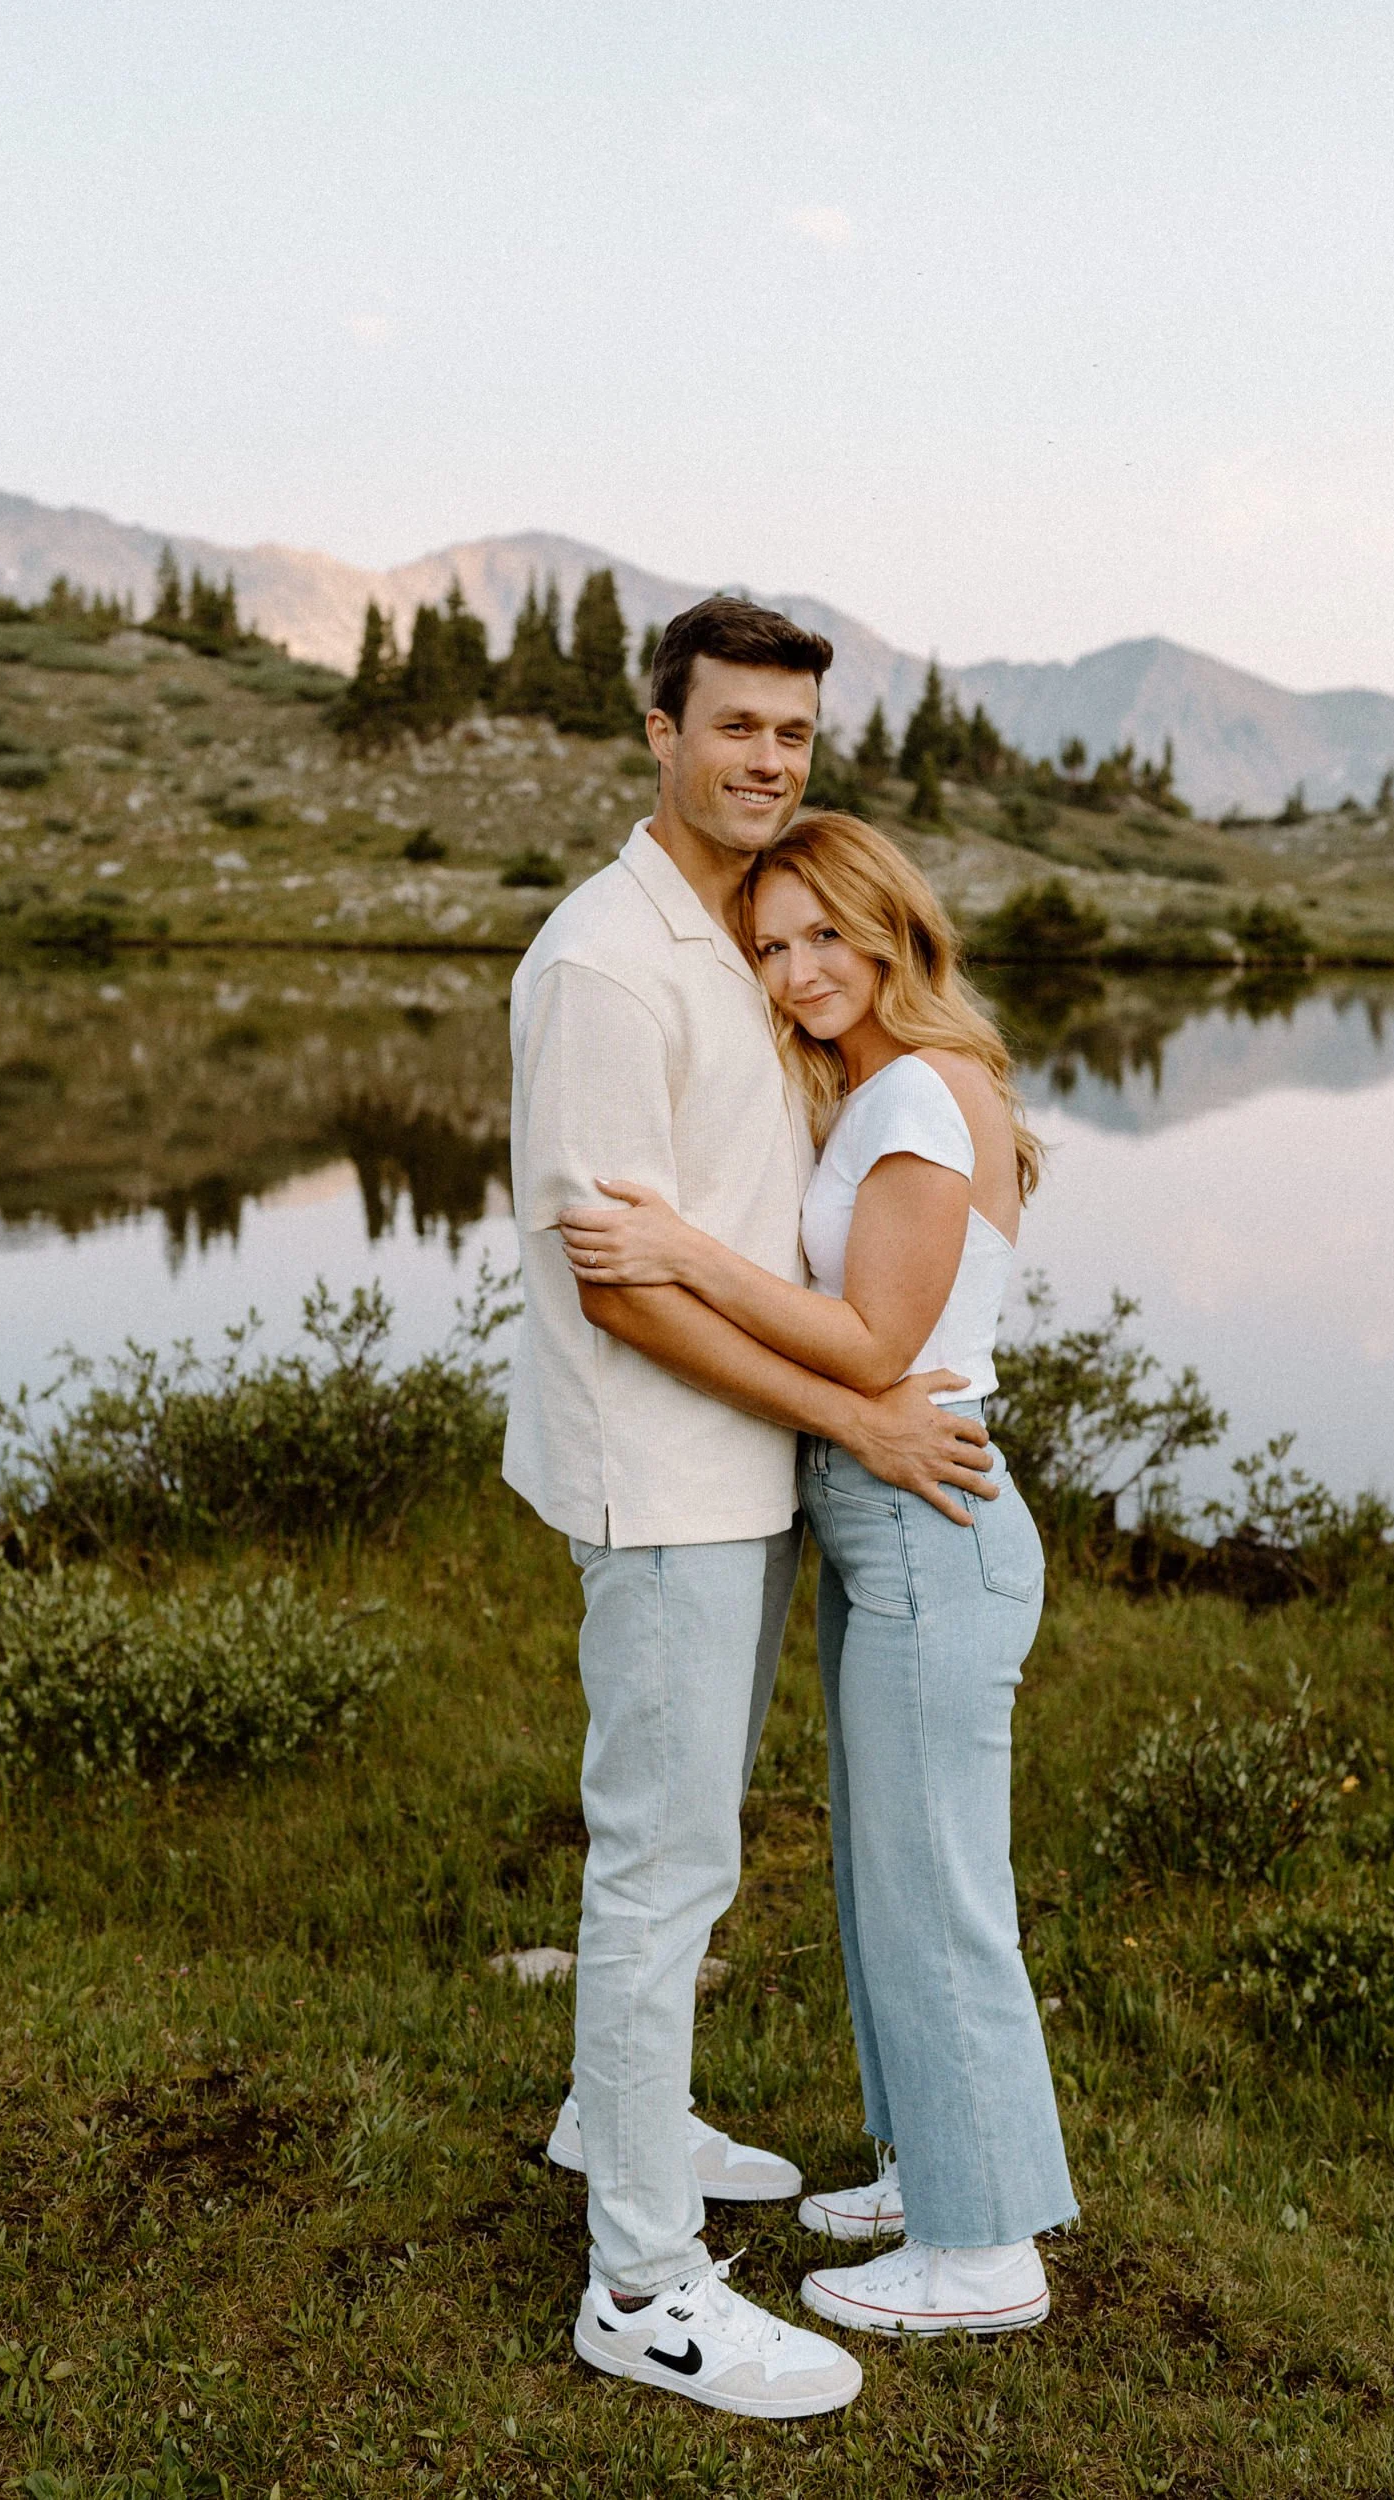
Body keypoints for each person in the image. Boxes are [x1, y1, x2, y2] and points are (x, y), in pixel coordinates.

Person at [502, 600, 999, 2421]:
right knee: (663, 1865)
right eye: (734, 729)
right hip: (664, 1481)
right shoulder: (605, 968)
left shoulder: (736, 933)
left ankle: (609, 2114)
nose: (767, 762)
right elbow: (622, 1289)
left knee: (676, 1844)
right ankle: (637, 2285)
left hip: (736, 1469)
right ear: (658, 730)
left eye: (792, 735)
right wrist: (859, 1416)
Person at [559, 809, 1078, 2340]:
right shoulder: (882, 1087)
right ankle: (939, 2166)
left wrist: (678, 1255)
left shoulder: (921, 1090)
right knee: (889, 1874)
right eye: (768, 945)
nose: (794, 972)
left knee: (936, 1887)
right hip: (884, 1512)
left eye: (821, 937)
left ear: (890, 929)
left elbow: (871, 1347)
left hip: (930, 1511)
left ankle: (985, 2256)